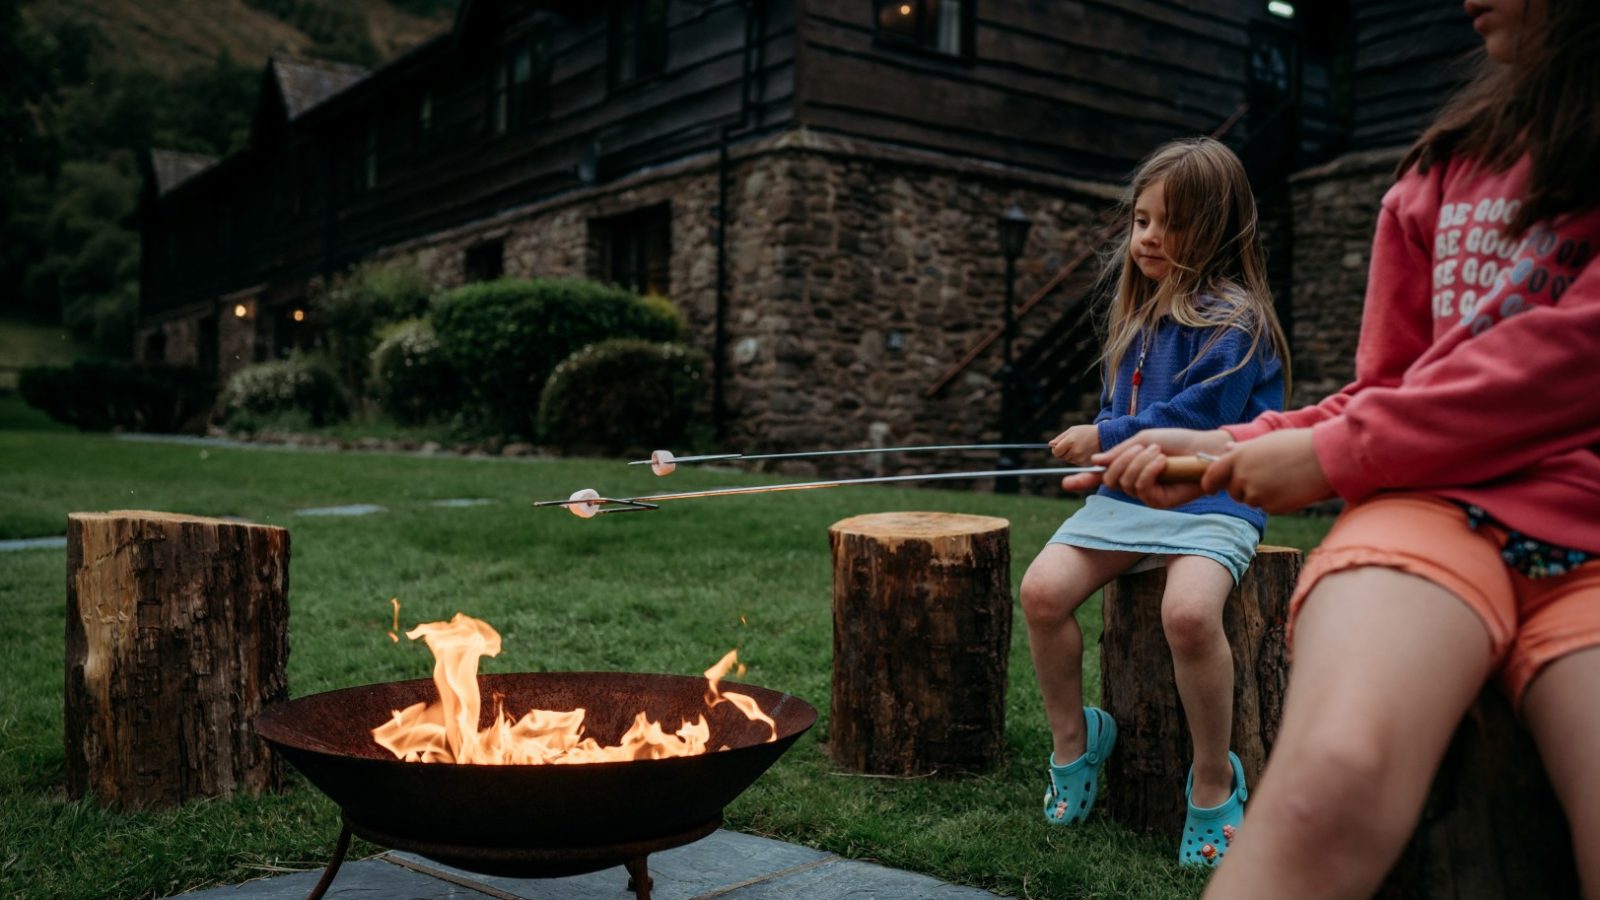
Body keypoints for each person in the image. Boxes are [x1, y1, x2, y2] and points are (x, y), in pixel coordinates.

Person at [1081, 0, 1600, 895]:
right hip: (1427, 511)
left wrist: (1327, 455)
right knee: (1330, 783)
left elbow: (1570, 356)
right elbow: (1386, 389)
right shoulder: (1443, 169)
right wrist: (1233, 439)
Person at [1021, 136, 1289, 867]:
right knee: (1042, 592)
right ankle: (1078, 741)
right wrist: (1103, 460)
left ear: (1214, 230)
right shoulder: (1136, 315)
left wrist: (1104, 434)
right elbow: (1128, 419)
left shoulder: (1238, 322)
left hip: (1212, 500)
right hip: (1131, 497)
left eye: (1167, 223)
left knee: (1188, 613)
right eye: (1141, 220)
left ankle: (1211, 780)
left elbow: (1201, 425)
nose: (1147, 237)